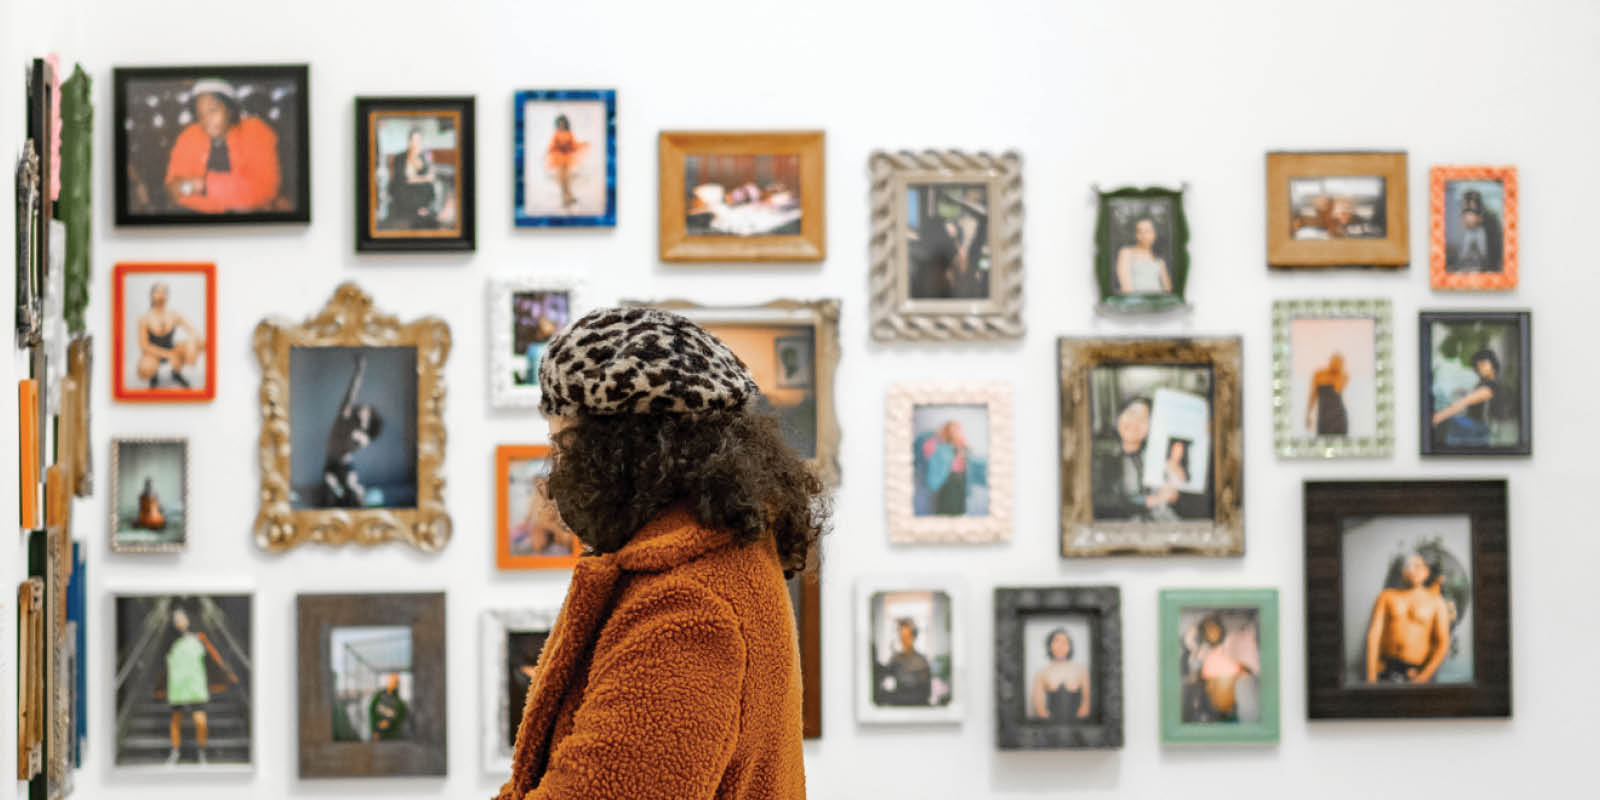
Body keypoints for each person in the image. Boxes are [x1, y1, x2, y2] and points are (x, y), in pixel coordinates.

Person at [494, 306, 827, 800]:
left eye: (564, 446)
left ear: (620, 454)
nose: (556, 471)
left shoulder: (688, 604)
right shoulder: (713, 561)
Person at [163, 79, 282, 213]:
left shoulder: (255, 131)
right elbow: (172, 189)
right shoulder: (189, 135)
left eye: (213, 110)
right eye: (200, 114)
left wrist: (204, 186)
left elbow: (265, 190)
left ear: (230, 109)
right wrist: (230, 192)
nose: (206, 120)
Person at [158, 605, 239, 765]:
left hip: (196, 685)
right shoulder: (169, 642)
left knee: (200, 720)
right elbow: (165, 666)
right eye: (176, 619)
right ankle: (175, 751)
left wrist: (227, 674)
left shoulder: (199, 638)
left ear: (188, 619)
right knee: (176, 719)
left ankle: (201, 751)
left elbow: (213, 658)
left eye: (181, 618)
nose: (179, 621)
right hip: (177, 687)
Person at [1364, 551, 1452, 684]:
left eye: (1418, 566)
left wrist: (1423, 677)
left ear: (1426, 572)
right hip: (1386, 669)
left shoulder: (1436, 602)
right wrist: (1371, 678)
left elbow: (1443, 644)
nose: (1413, 570)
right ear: (1403, 571)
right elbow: (1373, 637)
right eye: (1409, 566)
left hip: (1416, 671)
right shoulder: (1387, 596)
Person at [319, 353, 384, 508]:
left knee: (352, 488)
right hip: (332, 464)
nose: (364, 409)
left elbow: (356, 444)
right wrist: (359, 370)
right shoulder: (345, 414)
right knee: (331, 487)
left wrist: (360, 438)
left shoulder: (359, 436)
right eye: (364, 409)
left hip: (344, 465)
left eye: (367, 413)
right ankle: (344, 497)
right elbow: (352, 391)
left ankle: (356, 499)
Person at [1181, 614, 1257, 723]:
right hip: (1215, 708)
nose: (1212, 633)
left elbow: (1245, 669)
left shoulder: (1230, 647)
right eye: (1209, 630)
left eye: (1214, 628)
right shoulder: (1202, 655)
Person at [1431, 348, 1509, 447]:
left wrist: (1438, 417)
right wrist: (1465, 392)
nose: (1480, 368)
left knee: (1449, 421)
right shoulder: (1489, 384)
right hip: (1479, 428)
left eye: (1484, 364)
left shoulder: (1490, 387)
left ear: (1493, 364)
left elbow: (1464, 403)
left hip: (1479, 430)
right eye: (1478, 365)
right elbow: (1476, 398)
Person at [136, 282, 206, 390]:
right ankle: (154, 376)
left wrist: (192, 344)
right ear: (151, 295)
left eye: (164, 292)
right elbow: (144, 346)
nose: (161, 295)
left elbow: (193, 331)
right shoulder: (144, 318)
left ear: (168, 295)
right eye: (157, 292)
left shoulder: (173, 315)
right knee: (145, 369)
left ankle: (176, 372)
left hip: (172, 349)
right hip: (154, 353)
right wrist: (168, 355)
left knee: (199, 344)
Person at [1029, 628, 1090, 721]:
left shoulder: (1081, 671)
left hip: (1078, 726)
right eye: (1056, 642)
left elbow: (1087, 703)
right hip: (1050, 726)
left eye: (1065, 642)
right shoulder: (1041, 673)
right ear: (1050, 645)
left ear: (1070, 646)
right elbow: (1039, 707)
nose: (1060, 646)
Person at [384, 127, 437, 229]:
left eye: (419, 140)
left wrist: (427, 162)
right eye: (414, 140)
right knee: (405, 189)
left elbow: (430, 176)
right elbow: (405, 179)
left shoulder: (424, 157)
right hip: (403, 187)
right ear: (409, 142)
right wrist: (424, 178)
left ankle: (423, 209)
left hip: (417, 188)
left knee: (428, 186)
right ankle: (417, 210)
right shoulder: (399, 157)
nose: (416, 143)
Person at [876, 617, 934, 707]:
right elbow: (883, 680)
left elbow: (926, 693)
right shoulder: (895, 659)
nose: (903, 640)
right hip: (898, 706)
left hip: (917, 707)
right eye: (901, 636)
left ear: (913, 637)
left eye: (906, 637)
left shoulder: (922, 661)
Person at [918, 420, 972, 516]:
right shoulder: (940, 447)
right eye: (954, 429)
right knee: (945, 512)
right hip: (947, 483)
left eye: (959, 429)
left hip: (961, 483)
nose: (958, 432)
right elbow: (930, 459)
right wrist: (937, 437)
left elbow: (968, 466)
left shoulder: (963, 447)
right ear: (948, 431)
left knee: (960, 512)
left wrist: (963, 448)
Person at [1448, 189, 1503, 272]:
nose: (1463, 216)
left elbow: (1486, 257)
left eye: (1467, 211)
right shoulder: (1467, 232)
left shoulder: (1485, 230)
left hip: (1478, 233)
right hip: (1470, 234)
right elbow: (1463, 257)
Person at [1114, 218, 1172, 295]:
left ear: (1154, 234)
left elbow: (1168, 288)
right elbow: (1126, 288)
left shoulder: (1159, 261)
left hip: (1159, 301)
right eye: (1139, 231)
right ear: (1135, 235)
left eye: (1147, 231)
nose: (1143, 235)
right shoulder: (1126, 253)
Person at [546, 114, 588, 210]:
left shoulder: (569, 134)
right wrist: (550, 150)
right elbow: (552, 146)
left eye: (563, 123)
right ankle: (565, 199)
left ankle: (569, 197)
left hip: (566, 159)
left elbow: (574, 146)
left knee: (567, 180)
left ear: (565, 123)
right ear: (557, 124)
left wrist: (582, 145)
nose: (561, 125)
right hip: (558, 159)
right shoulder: (556, 134)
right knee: (562, 180)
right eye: (559, 123)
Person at [1306, 353, 1350, 436]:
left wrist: (1337, 372)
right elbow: (1313, 395)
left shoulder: (1343, 376)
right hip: (1323, 417)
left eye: (1339, 363)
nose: (1335, 364)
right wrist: (1308, 414)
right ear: (1330, 361)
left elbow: (1338, 388)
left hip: (1339, 417)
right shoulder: (1318, 374)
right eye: (1334, 361)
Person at [369, 673, 410, 741]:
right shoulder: (379, 696)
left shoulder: (398, 700)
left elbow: (401, 714)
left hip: (394, 735)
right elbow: (372, 710)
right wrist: (376, 728)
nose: (395, 683)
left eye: (396, 682)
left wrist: (392, 719)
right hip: (380, 734)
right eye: (392, 680)